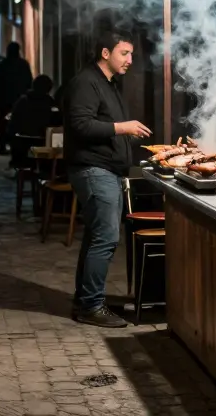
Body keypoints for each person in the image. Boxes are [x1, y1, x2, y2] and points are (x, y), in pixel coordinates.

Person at [63, 31, 151, 328]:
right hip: (93, 169)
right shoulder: (86, 82)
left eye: (131, 55)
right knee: (106, 237)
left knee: (95, 237)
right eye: (124, 53)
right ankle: (91, 306)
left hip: (107, 170)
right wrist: (122, 128)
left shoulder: (108, 83)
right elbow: (80, 126)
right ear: (105, 53)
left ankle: (87, 298)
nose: (129, 60)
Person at [0, 42, 33, 155]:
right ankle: (19, 146)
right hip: (19, 99)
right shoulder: (23, 64)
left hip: (5, 99)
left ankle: (2, 145)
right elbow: (29, 81)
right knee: (20, 122)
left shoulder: (3, 64)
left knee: (3, 122)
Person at [9, 74, 62, 141]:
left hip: (23, 139)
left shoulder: (23, 101)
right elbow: (57, 122)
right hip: (43, 139)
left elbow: (13, 123)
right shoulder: (50, 103)